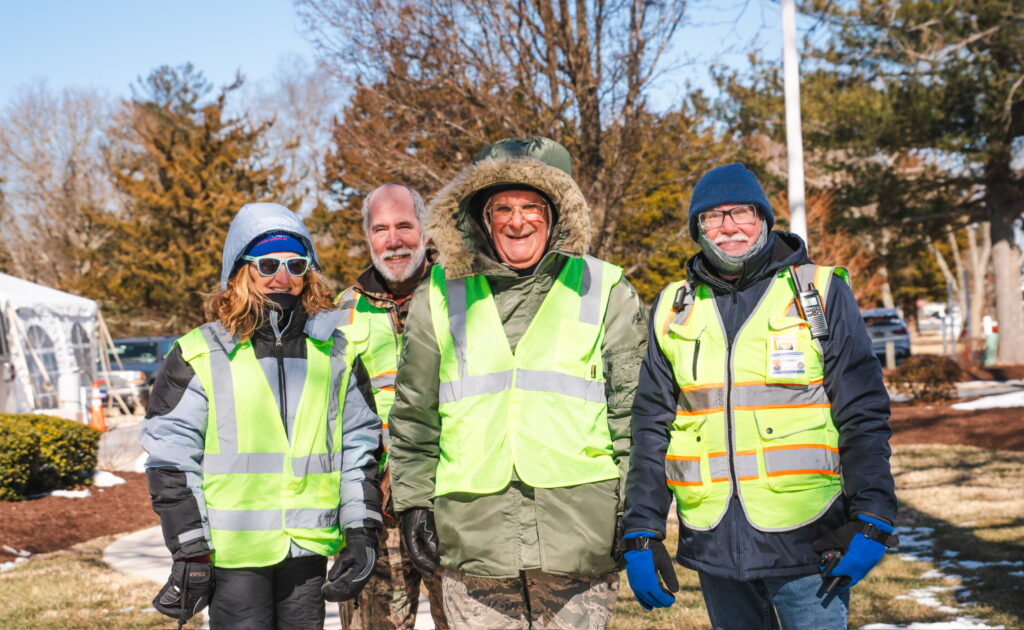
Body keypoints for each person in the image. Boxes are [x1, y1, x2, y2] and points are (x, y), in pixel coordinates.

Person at [622, 163, 898, 629]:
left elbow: (862, 411)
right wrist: (642, 529)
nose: (728, 226)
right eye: (712, 216)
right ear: (697, 229)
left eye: (742, 212)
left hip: (808, 540)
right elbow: (651, 425)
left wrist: (874, 515)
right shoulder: (673, 307)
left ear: (765, 219)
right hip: (712, 540)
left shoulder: (819, 291)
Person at [387, 137, 648, 630]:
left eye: (532, 207)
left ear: (558, 215)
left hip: (579, 536)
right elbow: (415, 415)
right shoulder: (438, 294)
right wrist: (416, 503)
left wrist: (636, 510)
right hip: (474, 537)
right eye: (502, 208)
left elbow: (632, 414)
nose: (517, 221)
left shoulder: (607, 289)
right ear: (481, 219)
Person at [141, 202, 383, 629]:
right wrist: (190, 548)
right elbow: (171, 460)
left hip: (306, 549)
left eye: (296, 264)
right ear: (241, 272)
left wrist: (361, 532)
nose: (282, 277)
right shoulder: (200, 352)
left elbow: (359, 450)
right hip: (234, 554)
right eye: (268, 264)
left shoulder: (337, 353)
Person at [336, 183, 447, 630]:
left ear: (425, 230)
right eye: (380, 229)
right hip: (375, 517)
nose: (394, 239)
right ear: (368, 237)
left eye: (404, 225)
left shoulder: (461, 294)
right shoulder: (341, 311)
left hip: (451, 507)